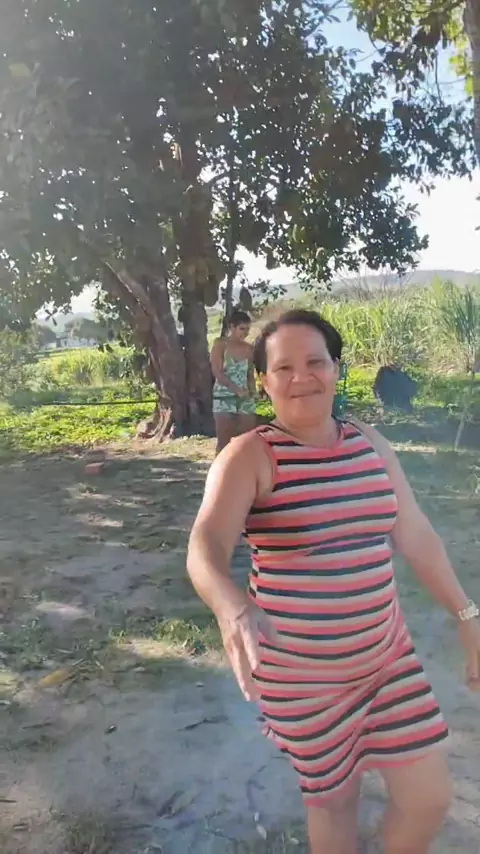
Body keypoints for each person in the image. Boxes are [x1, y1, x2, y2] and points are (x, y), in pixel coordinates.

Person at [187, 308, 480, 854]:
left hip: (387, 661)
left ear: (336, 369)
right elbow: (205, 545)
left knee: (428, 798)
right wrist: (232, 606)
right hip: (304, 680)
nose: (302, 377)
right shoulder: (250, 456)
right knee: (336, 803)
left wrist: (467, 616)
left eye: (316, 362)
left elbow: (415, 534)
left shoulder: (370, 443)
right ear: (264, 381)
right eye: (284, 367)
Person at [210, 309, 257, 454]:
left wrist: (253, 392)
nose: (245, 333)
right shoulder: (221, 344)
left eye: (247, 329)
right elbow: (217, 372)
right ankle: (221, 467)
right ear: (232, 327)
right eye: (242, 329)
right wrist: (235, 388)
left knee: (248, 440)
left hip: (244, 398)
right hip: (223, 397)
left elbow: (249, 374)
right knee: (223, 442)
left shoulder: (249, 349)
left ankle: (245, 467)